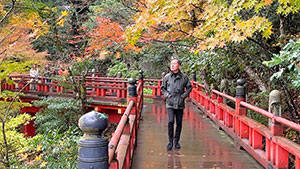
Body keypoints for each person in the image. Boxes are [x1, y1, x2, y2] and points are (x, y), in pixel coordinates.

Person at [161, 58, 192, 150]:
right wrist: (167, 95)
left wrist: (183, 96)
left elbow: (189, 87)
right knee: (170, 121)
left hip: (179, 102)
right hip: (170, 102)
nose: (172, 65)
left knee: (179, 122)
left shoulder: (184, 77)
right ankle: (170, 141)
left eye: (174, 64)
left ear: (179, 65)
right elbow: (163, 88)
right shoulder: (167, 77)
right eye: (171, 64)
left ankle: (176, 141)